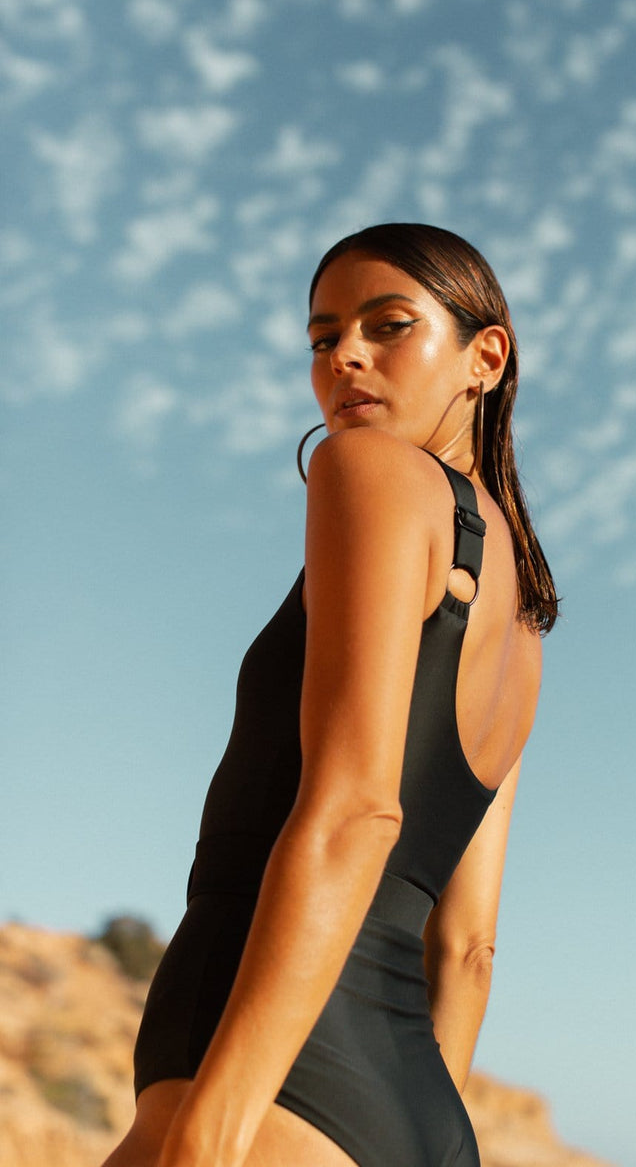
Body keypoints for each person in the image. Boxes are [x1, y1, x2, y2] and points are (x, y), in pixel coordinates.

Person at [102, 223, 558, 1167]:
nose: (345, 354)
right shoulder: (522, 623)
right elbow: (468, 948)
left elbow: (357, 811)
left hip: (268, 1086)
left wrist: (212, 1134)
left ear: (486, 356)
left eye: (388, 324)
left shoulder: (370, 473)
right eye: (322, 337)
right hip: (417, 1113)